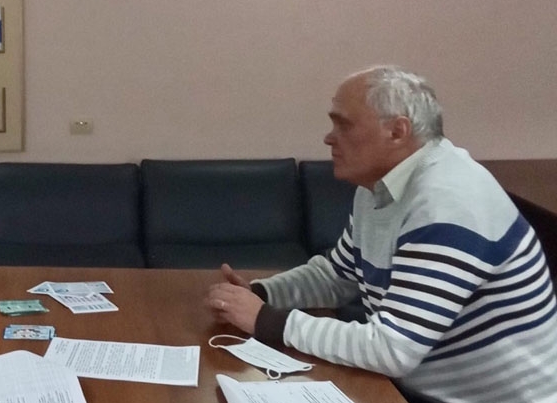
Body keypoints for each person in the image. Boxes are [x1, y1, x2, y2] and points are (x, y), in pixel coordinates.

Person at [206, 66, 557, 403]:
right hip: (418, 391)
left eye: (343, 125)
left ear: (397, 131)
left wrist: (266, 320)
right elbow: (337, 276)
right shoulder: (379, 188)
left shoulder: (448, 202)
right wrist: (261, 294)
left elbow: (393, 349)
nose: (329, 137)